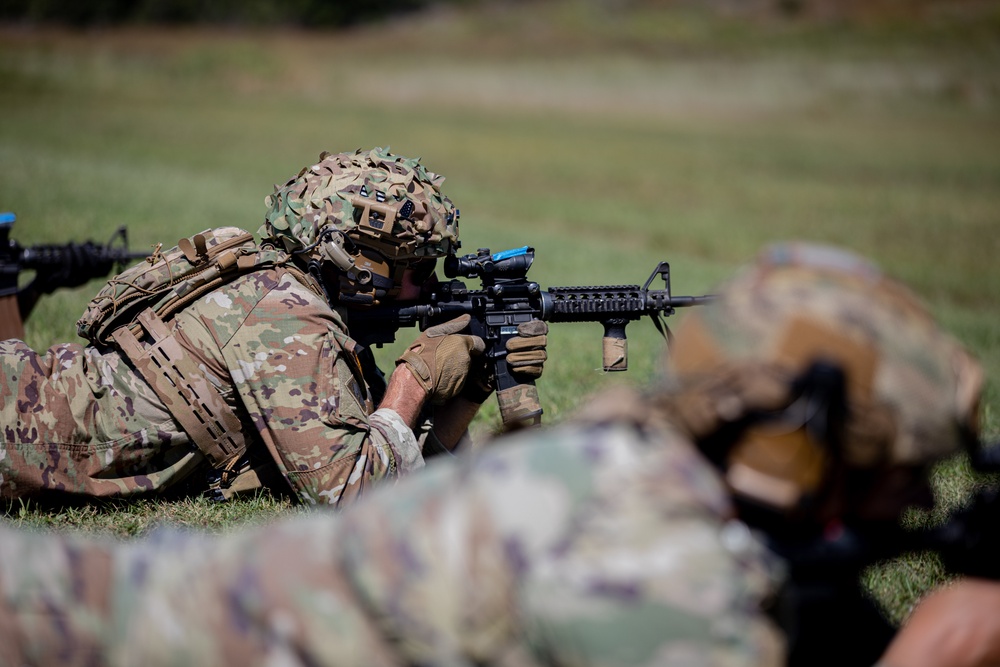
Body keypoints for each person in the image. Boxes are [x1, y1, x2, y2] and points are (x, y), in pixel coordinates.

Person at [0, 242, 986, 666]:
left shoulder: (626, 455)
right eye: (904, 472)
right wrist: (942, 639)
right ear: (808, 454)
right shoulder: (644, 562)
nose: (914, 498)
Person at [0, 147, 548, 505]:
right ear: (358, 264)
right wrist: (416, 379)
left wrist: (474, 383)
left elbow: (406, 466)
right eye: (418, 270)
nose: (428, 287)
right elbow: (351, 491)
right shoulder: (286, 315)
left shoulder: (293, 296)